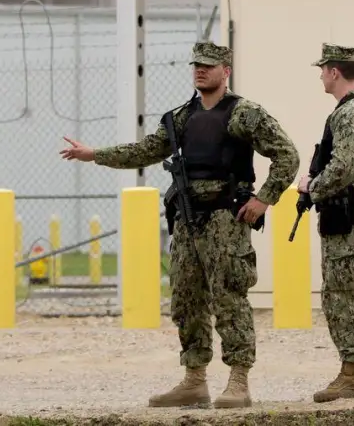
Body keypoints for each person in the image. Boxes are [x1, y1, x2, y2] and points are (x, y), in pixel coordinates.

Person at [60, 41, 299, 410]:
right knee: (187, 299)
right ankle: (194, 380)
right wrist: (94, 155)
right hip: (188, 221)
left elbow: (287, 155)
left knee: (229, 297)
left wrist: (264, 199)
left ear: (225, 71)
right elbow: (145, 151)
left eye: (208, 65)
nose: (200, 70)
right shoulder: (181, 117)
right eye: (196, 65)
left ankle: (238, 380)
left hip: (226, 219)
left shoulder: (245, 114)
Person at [297, 42, 354, 402]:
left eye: (323, 70)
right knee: (346, 291)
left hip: (349, 216)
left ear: (334, 72)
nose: (321, 76)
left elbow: (345, 166)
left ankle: (351, 372)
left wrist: (311, 187)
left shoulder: (350, 113)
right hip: (349, 214)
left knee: (339, 294)